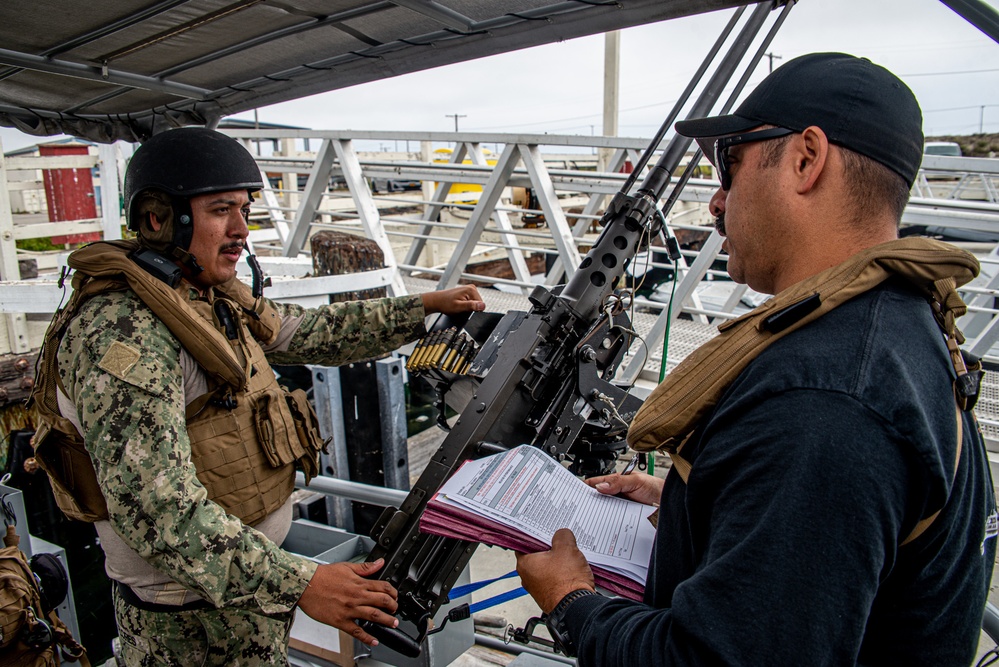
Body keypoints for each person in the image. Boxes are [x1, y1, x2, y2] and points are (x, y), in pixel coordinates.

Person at [517, 53, 997, 665]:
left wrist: (570, 600)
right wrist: (699, 503)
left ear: (805, 158)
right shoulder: (897, 324)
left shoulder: (825, 399)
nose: (716, 202)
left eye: (731, 166)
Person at [29, 127, 485, 666]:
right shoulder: (125, 333)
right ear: (158, 218)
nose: (241, 230)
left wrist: (422, 307)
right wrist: (304, 583)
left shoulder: (201, 290)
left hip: (241, 597)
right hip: (189, 628)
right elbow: (158, 513)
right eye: (222, 210)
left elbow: (298, 332)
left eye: (244, 210)